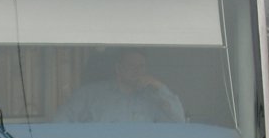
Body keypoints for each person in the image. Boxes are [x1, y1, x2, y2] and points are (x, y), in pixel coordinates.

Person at [55, 48, 185, 123]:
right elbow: (60, 122)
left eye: (141, 66)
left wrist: (160, 86)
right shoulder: (90, 94)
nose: (137, 70)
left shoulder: (152, 98)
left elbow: (179, 121)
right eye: (132, 66)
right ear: (118, 68)